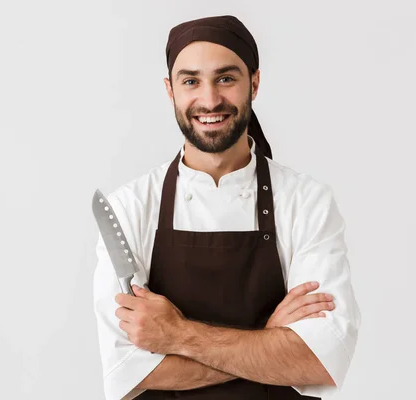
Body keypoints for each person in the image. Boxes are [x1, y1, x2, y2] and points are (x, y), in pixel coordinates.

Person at [93, 15, 361, 400]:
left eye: (226, 78)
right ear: (170, 90)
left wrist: (176, 336)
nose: (209, 100)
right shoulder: (130, 207)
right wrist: (269, 343)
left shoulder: (306, 202)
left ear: (253, 82)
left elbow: (319, 360)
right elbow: (128, 371)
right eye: (191, 81)